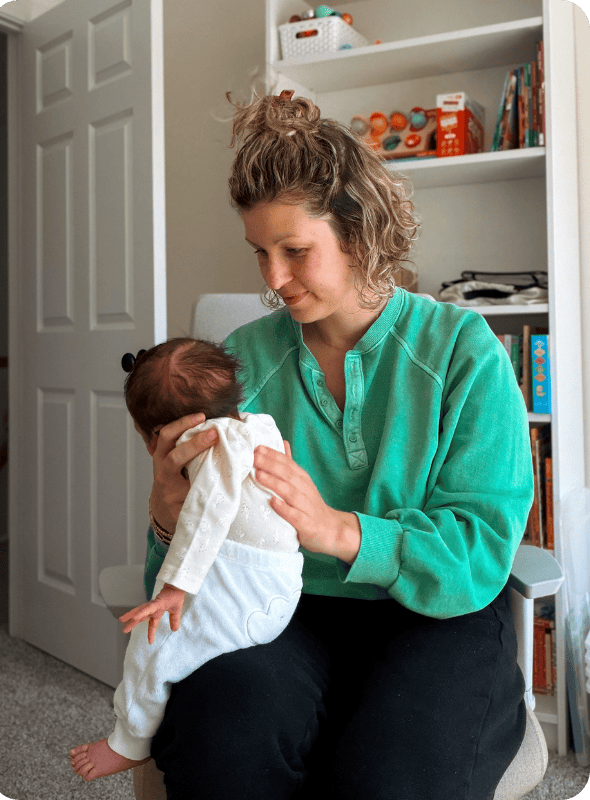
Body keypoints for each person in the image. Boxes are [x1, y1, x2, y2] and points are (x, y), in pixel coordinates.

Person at [137, 91, 534, 800]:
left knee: (392, 778)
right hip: (283, 609)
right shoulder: (240, 364)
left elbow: (479, 548)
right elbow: (182, 580)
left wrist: (338, 530)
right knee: (220, 739)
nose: (273, 280)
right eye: (260, 253)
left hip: (440, 612)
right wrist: (168, 520)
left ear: (359, 231)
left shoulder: (462, 351)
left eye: (295, 251)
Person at [70, 337, 302, 782]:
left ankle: (130, 740)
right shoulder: (261, 426)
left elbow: (207, 513)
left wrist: (175, 588)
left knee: (154, 643)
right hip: (283, 587)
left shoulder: (208, 445)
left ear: (158, 433)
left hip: (243, 587)